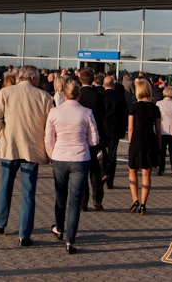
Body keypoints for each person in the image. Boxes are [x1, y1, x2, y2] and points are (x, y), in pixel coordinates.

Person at [0, 65, 53, 247]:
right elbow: (49, 126)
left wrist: (0, 137)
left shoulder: (6, 92)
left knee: (5, 186)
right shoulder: (45, 97)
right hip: (32, 149)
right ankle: (24, 234)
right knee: (28, 192)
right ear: (33, 78)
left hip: (10, 146)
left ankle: (0, 222)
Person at [45, 79, 99, 254]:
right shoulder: (87, 113)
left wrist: (51, 154)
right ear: (79, 95)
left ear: (63, 94)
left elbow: (48, 137)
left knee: (60, 196)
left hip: (60, 157)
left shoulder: (54, 112)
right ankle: (70, 241)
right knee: (75, 200)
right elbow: (94, 139)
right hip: (80, 157)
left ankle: (59, 228)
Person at [127, 79, 161, 215]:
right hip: (150, 140)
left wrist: (130, 142)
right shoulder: (155, 108)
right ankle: (143, 204)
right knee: (146, 174)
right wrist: (159, 144)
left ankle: (135, 199)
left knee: (132, 170)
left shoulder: (134, 107)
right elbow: (158, 129)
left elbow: (130, 128)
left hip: (137, 139)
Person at [78, 67, 107, 212]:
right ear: (93, 80)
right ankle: (97, 199)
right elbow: (103, 114)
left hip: (81, 136)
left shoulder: (78, 96)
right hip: (96, 135)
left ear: (80, 79)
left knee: (82, 170)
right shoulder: (99, 96)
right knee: (95, 169)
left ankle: (83, 202)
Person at [102, 75, 129, 189]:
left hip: (103, 129)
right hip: (115, 128)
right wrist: (123, 130)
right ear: (114, 85)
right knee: (112, 154)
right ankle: (110, 180)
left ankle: (104, 172)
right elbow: (124, 115)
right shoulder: (120, 97)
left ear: (104, 85)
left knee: (102, 153)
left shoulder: (100, 96)